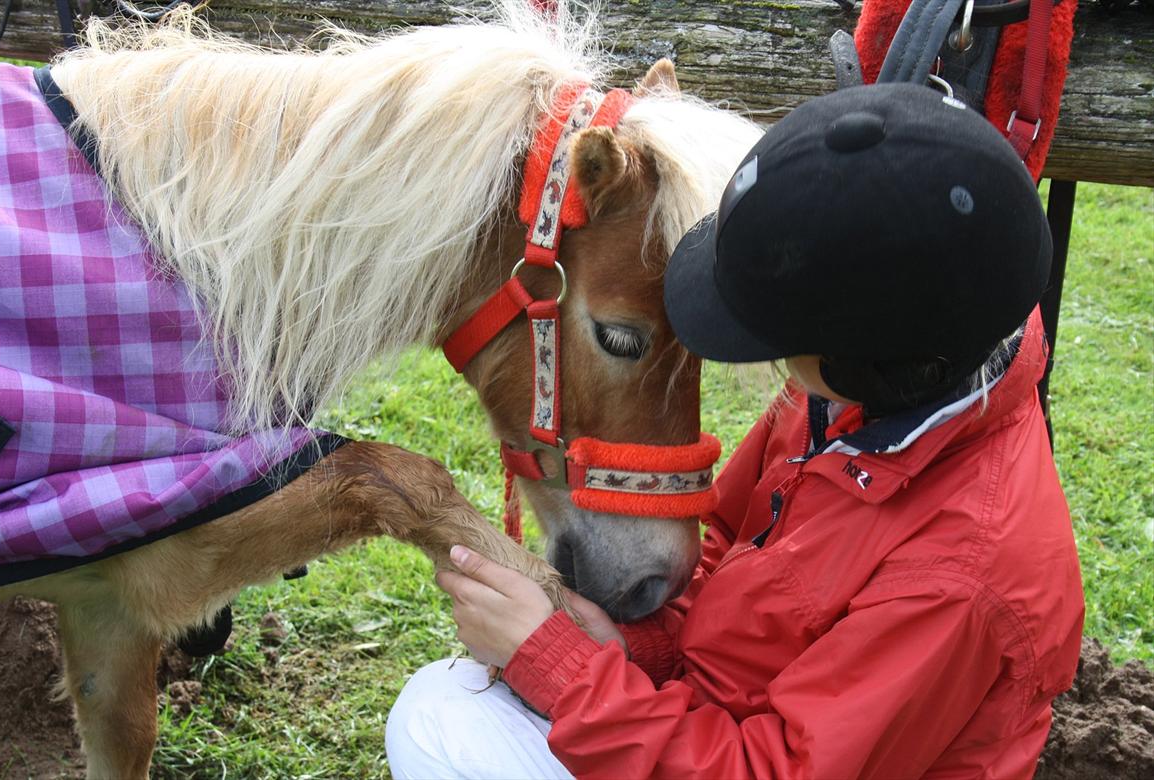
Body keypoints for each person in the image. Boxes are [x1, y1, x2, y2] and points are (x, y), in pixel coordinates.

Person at [385, 83, 1085, 779]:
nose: (769, 357)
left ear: (868, 359)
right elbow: (727, 541)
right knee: (445, 701)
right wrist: (637, 646)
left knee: (441, 731)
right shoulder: (866, 395)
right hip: (723, 719)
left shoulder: (955, 579)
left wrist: (563, 671)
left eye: (777, 338)